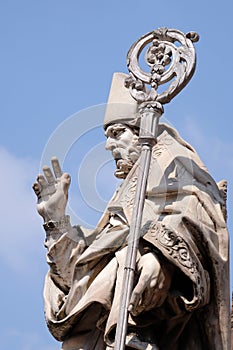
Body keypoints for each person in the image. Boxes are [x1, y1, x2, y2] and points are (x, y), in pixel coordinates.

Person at [33, 73, 230, 349]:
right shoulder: (123, 198)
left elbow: (197, 216)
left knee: (124, 256)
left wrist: (158, 258)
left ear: (143, 133)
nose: (108, 145)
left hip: (160, 320)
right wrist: (55, 221)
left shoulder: (177, 169)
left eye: (117, 133)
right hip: (97, 335)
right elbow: (81, 276)